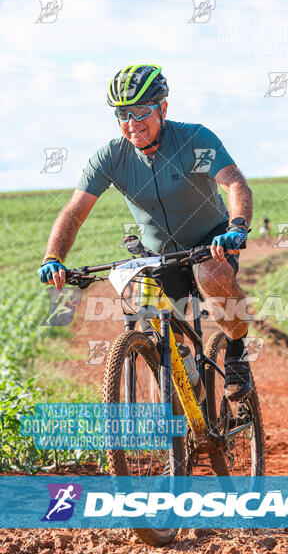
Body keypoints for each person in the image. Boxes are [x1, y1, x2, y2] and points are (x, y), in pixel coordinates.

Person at [37, 64, 254, 402]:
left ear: (163, 108)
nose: (132, 122)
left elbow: (234, 183)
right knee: (152, 327)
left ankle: (238, 350)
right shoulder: (110, 157)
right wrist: (54, 257)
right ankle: (180, 425)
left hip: (210, 241)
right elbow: (74, 212)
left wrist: (236, 227)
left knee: (211, 274)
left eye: (141, 111)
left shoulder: (195, 139)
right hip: (158, 253)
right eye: (123, 113)